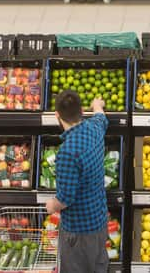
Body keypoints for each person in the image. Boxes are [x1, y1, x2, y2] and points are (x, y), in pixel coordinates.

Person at [46, 90, 109, 273]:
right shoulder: (94, 129)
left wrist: (51, 205)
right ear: (81, 110)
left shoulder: (66, 152)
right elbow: (101, 117)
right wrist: (97, 105)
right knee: (99, 266)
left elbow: (65, 199)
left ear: (57, 115)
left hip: (78, 231)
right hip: (99, 221)